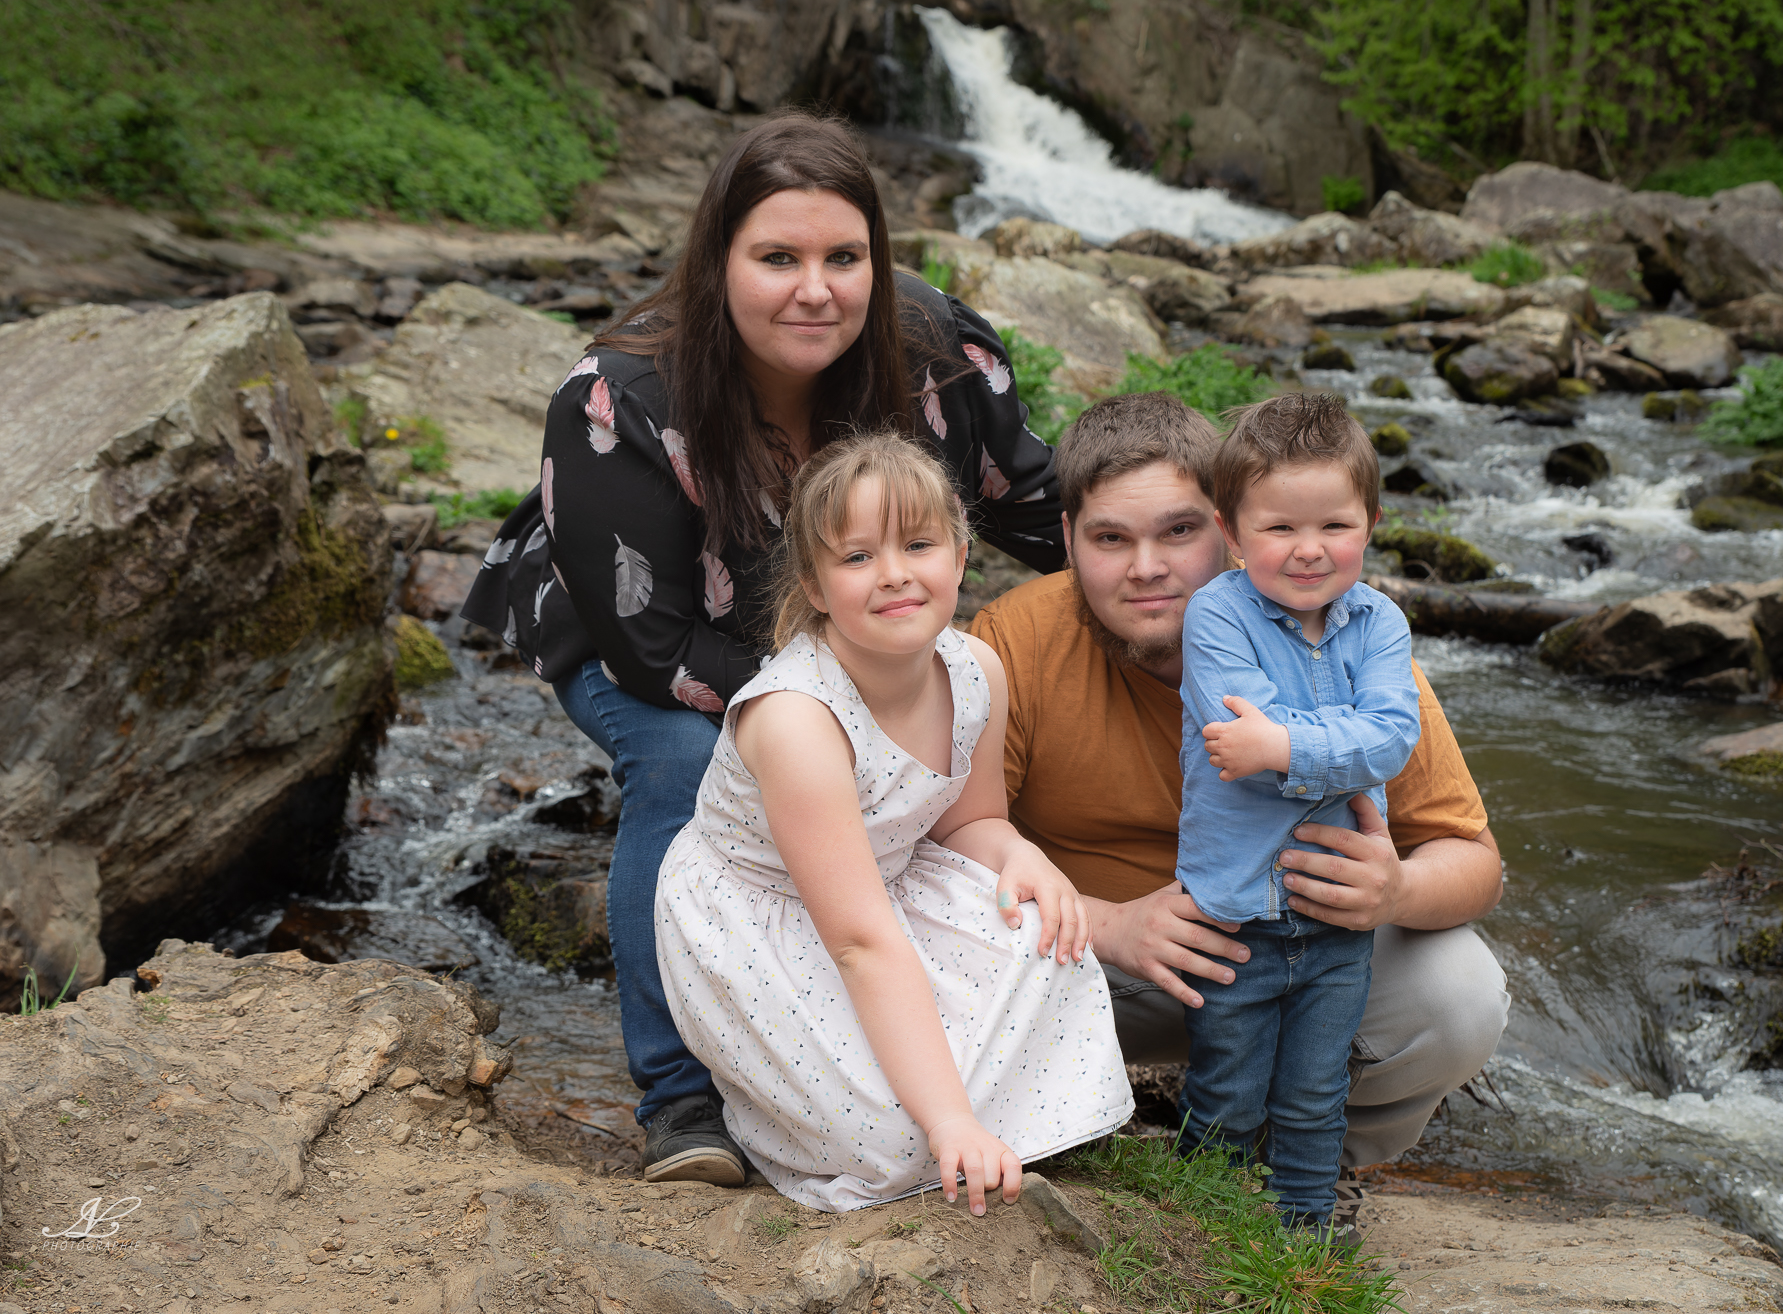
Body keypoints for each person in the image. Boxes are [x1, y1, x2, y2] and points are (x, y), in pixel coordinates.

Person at [460, 112, 1069, 1184]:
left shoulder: (933, 357)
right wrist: (847, 711)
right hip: (638, 641)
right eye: (776, 258)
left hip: (845, 638)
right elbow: (653, 648)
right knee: (688, 765)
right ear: (717, 260)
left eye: (844, 258)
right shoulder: (619, 401)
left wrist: (1198, 551)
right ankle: (680, 1097)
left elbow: (1030, 497)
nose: (815, 289)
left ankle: (899, 1024)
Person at [968, 391, 1509, 1186]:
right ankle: (1071, 1133)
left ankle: (1305, 1168)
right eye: (1111, 538)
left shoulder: (1349, 644)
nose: (1147, 568)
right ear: (1068, 539)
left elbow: (1477, 861)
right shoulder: (1015, 640)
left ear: (1226, 529)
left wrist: (1395, 889)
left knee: (1460, 991)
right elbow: (952, 841)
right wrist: (1110, 925)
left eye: (1178, 531)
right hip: (1102, 970)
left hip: (1308, 950)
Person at [653, 433, 1132, 1212]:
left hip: (890, 880)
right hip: (767, 918)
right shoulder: (797, 721)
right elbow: (859, 942)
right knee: (902, 1141)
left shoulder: (976, 669)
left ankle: (978, 1106)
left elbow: (969, 821)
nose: (896, 575)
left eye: (918, 543)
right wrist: (947, 1124)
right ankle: (781, 1106)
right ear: (812, 582)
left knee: (1045, 942)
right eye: (857, 558)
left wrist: (1020, 853)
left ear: (961, 552)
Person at [1174, 394, 1418, 1237]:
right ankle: (1204, 1234)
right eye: (1278, 528)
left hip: (1335, 919)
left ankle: (1304, 1242)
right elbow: (1235, 734)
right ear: (1231, 533)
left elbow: (1392, 740)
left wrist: (1281, 744)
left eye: (1334, 525)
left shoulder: (1381, 623)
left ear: (1372, 521)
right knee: (1227, 1087)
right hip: (1234, 909)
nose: (1308, 550)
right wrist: (1320, 749)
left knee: (1316, 1094)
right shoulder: (1215, 613)